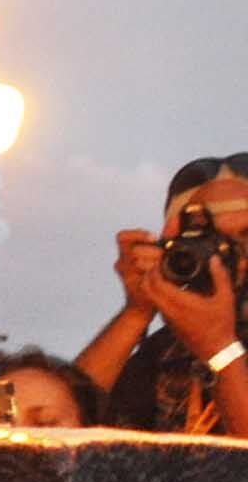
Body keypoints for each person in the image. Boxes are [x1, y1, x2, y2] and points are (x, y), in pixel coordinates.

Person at [75, 155, 248, 436]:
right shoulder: (166, 354)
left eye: (245, 236)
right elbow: (64, 426)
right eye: (209, 240)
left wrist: (221, 352)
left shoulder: (209, 344)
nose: (229, 257)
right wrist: (137, 310)